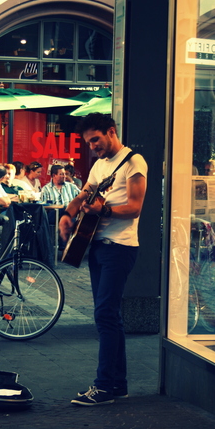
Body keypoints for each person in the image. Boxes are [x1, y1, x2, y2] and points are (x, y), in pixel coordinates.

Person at [59, 113, 147, 406]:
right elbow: (83, 194)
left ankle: (103, 386)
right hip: (96, 245)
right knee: (110, 316)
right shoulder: (99, 165)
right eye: (88, 142)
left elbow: (135, 207)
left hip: (120, 247)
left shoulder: (134, 162)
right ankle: (117, 385)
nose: (92, 146)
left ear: (111, 132)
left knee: (105, 315)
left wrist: (103, 211)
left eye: (95, 139)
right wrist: (68, 214)